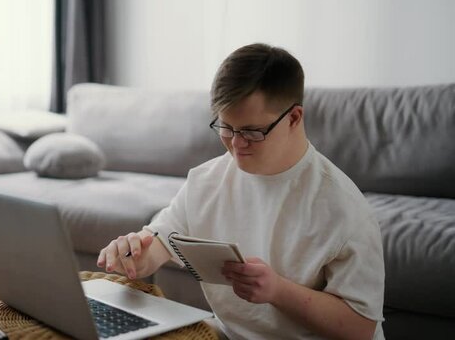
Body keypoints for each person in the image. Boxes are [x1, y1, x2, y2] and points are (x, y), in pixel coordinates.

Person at [96, 43, 385, 339]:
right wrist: (134, 254)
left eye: (251, 131)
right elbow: (160, 243)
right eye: (226, 127)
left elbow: (361, 327)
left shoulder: (342, 208)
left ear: (294, 118)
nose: (235, 144)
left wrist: (278, 290)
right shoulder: (207, 181)